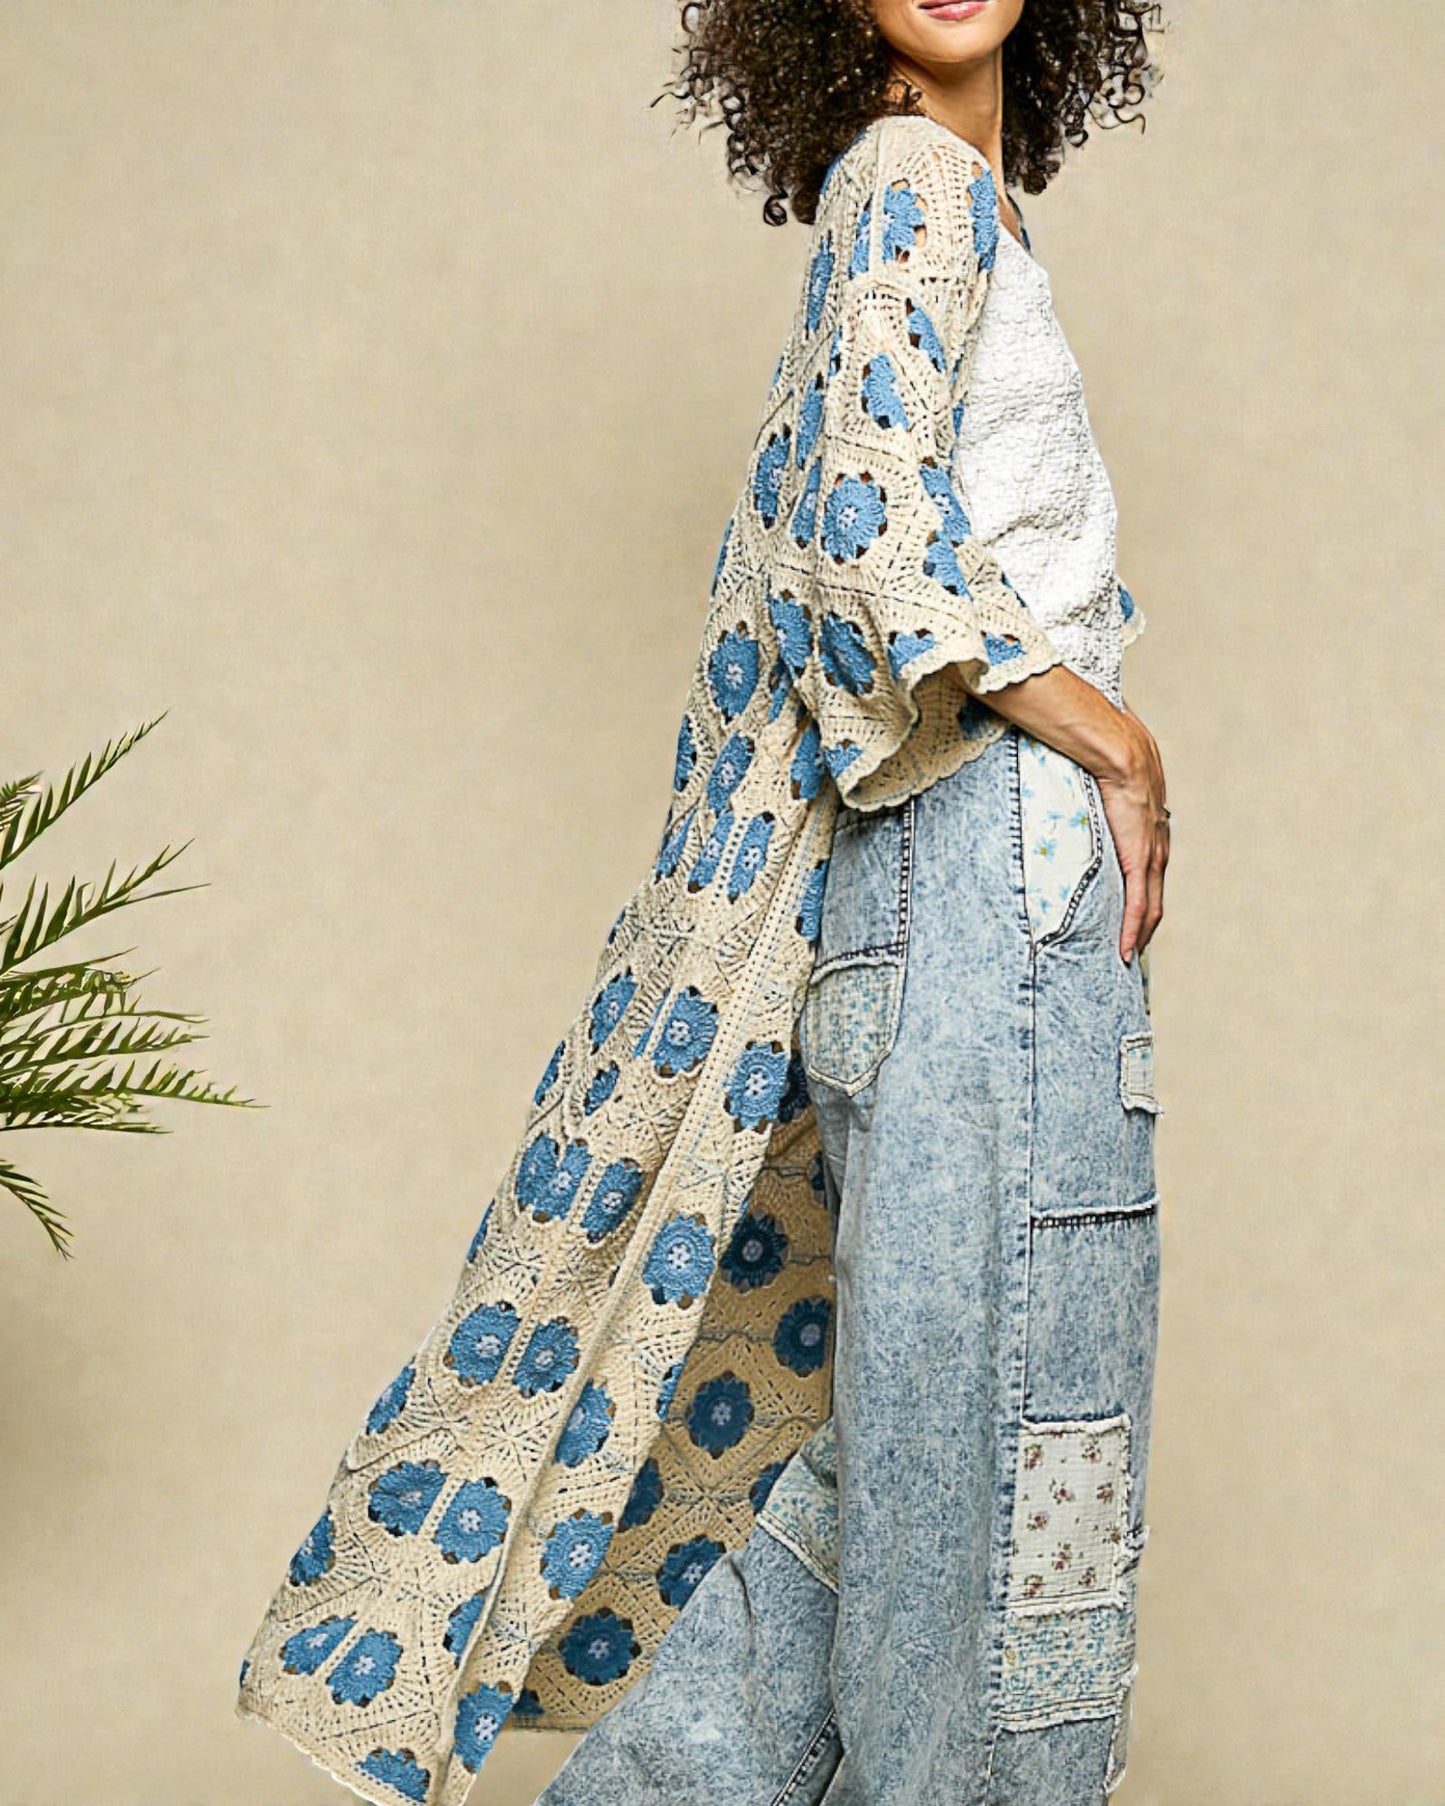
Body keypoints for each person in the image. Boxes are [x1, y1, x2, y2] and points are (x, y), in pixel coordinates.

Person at [235, 4, 1170, 1804]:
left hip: (929, 900)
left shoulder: (937, 196)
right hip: (985, 892)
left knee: (878, 1455)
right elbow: (861, 523)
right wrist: (1112, 739)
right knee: (1000, 1460)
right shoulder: (912, 181)